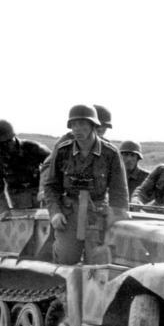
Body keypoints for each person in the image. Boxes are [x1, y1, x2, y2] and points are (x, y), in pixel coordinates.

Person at [43, 104, 129, 265]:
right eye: (74, 125)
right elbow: (51, 186)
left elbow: (119, 191)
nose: (77, 129)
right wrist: (55, 212)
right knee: (65, 259)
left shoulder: (110, 153)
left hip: (97, 215)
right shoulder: (63, 151)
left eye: (82, 124)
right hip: (69, 215)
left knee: (98, 264)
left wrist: (115, 218)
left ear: (93, 126)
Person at [38, 104, 112, 203]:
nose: (101, 129)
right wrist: (43, 190)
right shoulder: (66, 142)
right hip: (70, 197)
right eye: (99, 126)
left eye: (105, 127)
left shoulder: (107, 148)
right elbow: (49, 166)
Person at [0, 119, 51, 219]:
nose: (2, 148)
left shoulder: (33, 148)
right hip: (18, 199)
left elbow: (54, 165)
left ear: (12, 139)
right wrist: (2, 207)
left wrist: (46, 188)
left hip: (42, 196)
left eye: (5, 143)